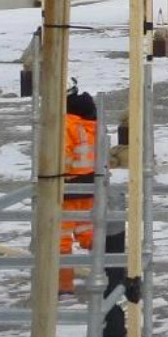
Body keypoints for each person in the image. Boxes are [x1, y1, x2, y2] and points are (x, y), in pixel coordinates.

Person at [61, 84, 99, 295]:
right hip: (90, 186)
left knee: (61, 240)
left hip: (67, 189)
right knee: (89, 234)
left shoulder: (66, 125)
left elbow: (61, 158)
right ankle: (107, 274)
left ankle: (63, 286)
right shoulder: (92, 124)